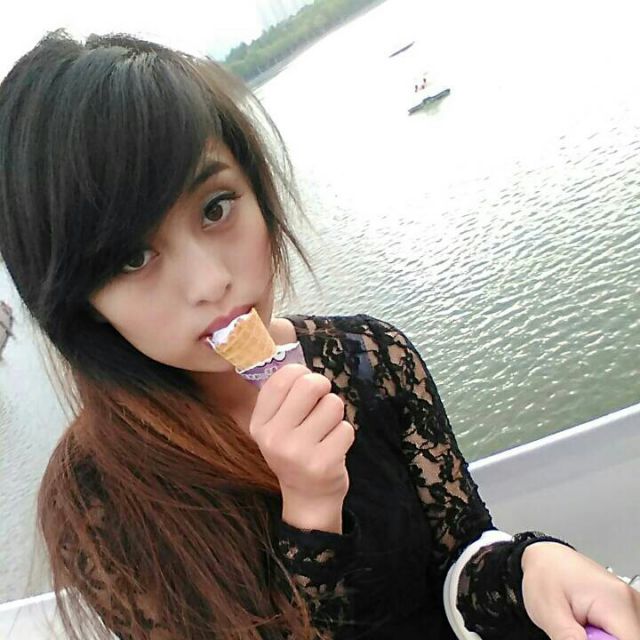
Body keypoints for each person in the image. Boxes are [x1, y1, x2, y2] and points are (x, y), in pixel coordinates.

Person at [0, 29, 638, 640]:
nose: (211, 282)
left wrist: (528, 568)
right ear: (81, 304)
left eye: (216, 208)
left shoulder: (372, 358)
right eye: (133, 258)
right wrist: (310, 514)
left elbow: (458, 561)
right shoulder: (95, 501)